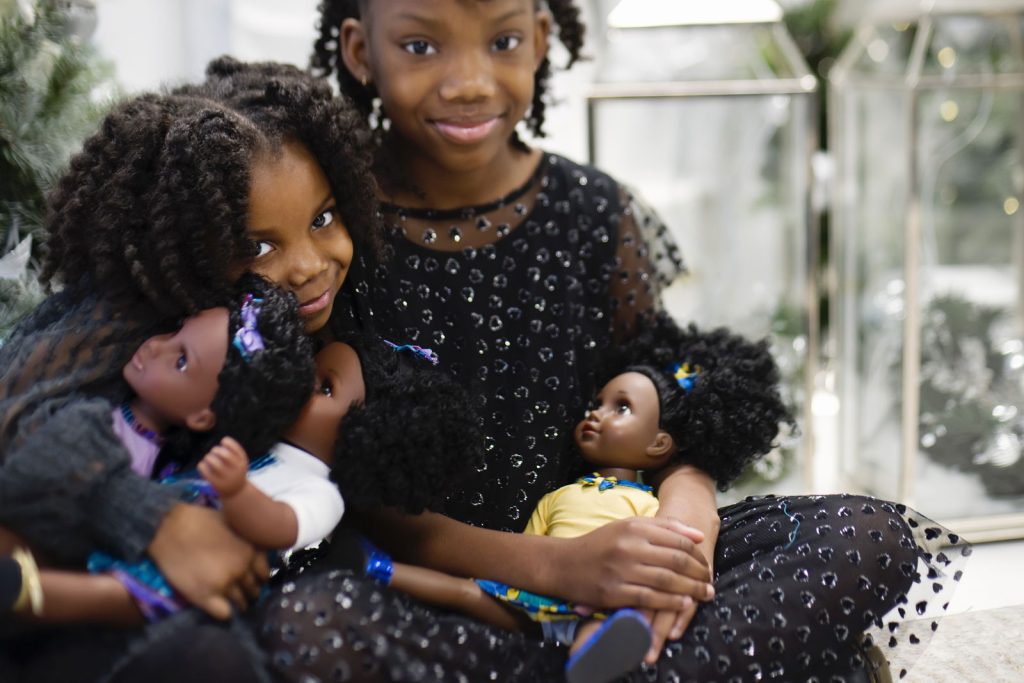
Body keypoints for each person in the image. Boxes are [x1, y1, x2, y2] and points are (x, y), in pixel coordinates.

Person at [255, 1, 972, 681]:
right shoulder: (331, 233)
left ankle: (616, 660)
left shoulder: (595, 211)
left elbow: (663, 384)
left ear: (540, 38)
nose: (469, 82)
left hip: (619, 547)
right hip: (450, 587)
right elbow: (347, 486)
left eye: (502, 42)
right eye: (420, 45)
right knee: (309, 623)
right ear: (360, 51)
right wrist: (555, 568)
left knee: (868, 536)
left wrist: (685, 521)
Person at [0, 57, 378, 682]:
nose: (310, 265)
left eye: (323, 218)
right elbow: (18, 424)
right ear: (189, 239)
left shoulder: (307, 312)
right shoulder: (126, 317)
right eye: (257, 246)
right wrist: (161, 524)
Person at [345, 314, 793, 683]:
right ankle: (377, 569)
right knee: (467, 595)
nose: (596, 414)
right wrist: (548, 571)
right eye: (596, 402)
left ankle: (590, 661)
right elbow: (533, 539)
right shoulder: (559, 497)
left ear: (659, 444)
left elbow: (658, 545)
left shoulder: (649, 502)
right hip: (531, 595)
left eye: (621, 408)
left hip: (617, 603)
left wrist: (688, 505)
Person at [2, 274, 315, 624]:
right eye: (174, 331)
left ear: (202, 417)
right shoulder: (93, 417)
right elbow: (37, 461)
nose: (155, 345)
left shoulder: (176, 470)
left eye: (181, 360)